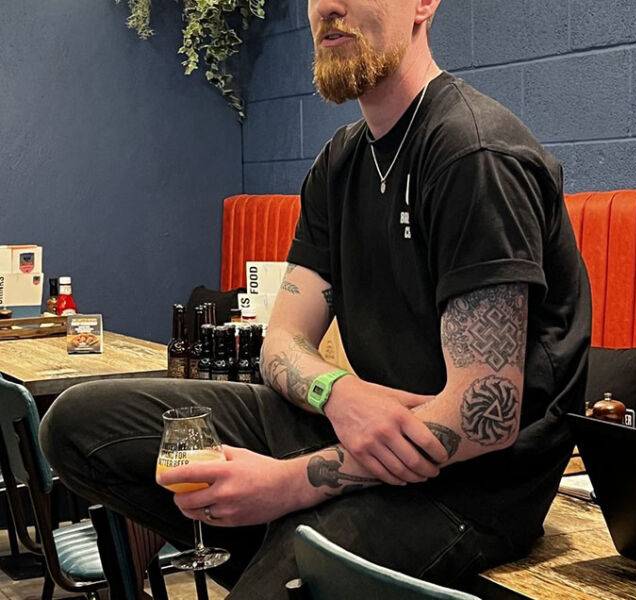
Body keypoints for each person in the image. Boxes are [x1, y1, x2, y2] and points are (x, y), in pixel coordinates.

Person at [40, 0, 591, 597]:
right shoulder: (341, 161)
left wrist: (291, 483)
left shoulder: (472, 154)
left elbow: (485, 414)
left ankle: (283, 542)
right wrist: (339, 393)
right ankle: (279, 543)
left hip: (467, 489)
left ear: (424, 5)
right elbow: (281, 343)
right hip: (362, 434)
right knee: (77, 424)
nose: (328, 5)